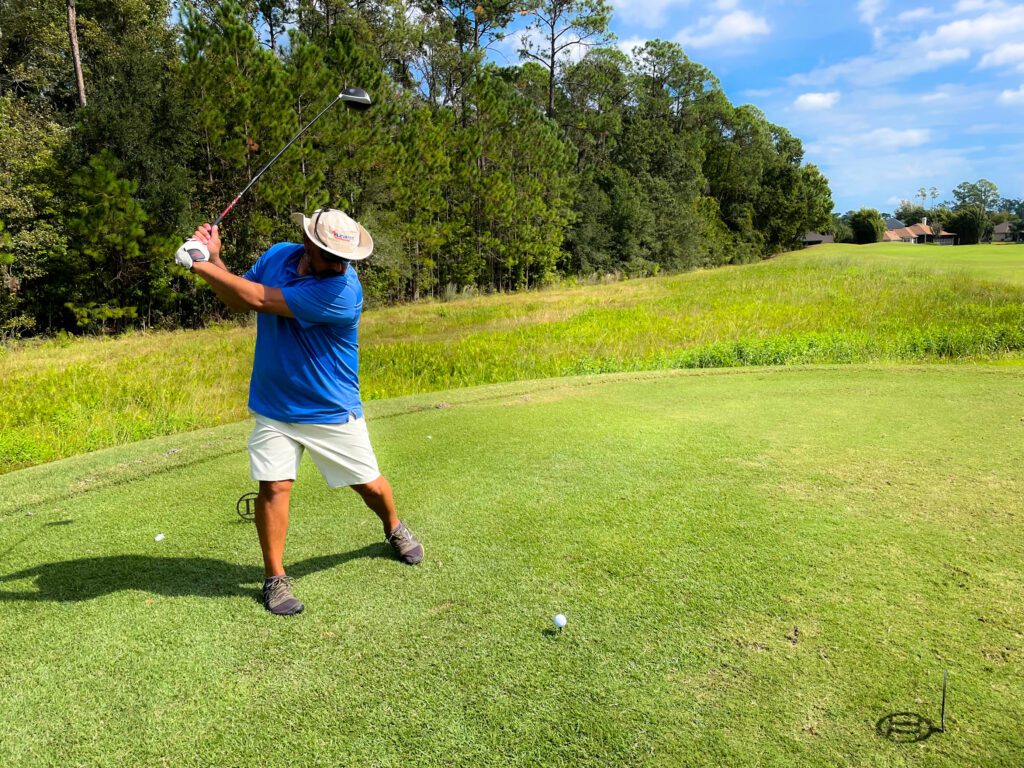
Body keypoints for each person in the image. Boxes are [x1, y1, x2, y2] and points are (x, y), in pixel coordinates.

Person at [177, 208, 423, 616]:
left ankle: (394, 526)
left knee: (370, 486)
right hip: (275, 405)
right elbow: (241, 299)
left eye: (347, 259)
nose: (340, 265)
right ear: (309, 243)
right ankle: (275, 577)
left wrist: (199, 264)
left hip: (330, 409)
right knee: (273, 488)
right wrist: (215, 259)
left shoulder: (340, 292)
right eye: (331, 256)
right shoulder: (277, 255)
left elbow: (258, 298)